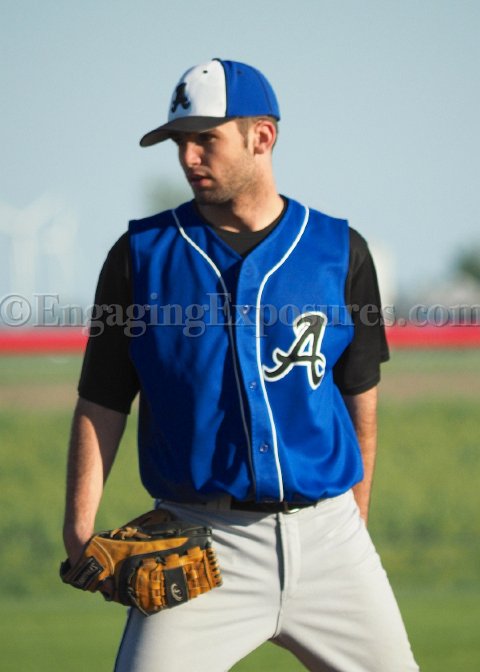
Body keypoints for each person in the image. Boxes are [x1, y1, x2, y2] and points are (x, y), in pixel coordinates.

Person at [63, 58, 419, 671]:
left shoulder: (339, 251)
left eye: (206, 138)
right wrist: (78, 530)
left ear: (262, 137)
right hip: (197, 545)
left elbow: (359, 396)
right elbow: (103, 399)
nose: (188, 157)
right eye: (179, 141)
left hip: (330, 539)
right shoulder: (140, 256)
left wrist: (353, 522)